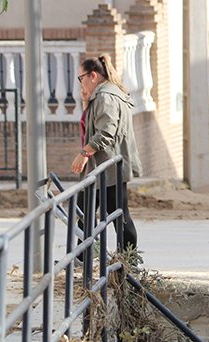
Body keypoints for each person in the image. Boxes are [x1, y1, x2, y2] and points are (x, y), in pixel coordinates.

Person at [70, 54, 142, 250]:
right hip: (107, 167)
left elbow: (106, 131)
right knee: (89, 212)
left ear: (93, 75)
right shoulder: (108, 93)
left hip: (107, 168)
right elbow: (93, 125)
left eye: (81, 78)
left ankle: (125, 260)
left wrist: (84, 154)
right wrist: (86, 102)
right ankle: (85, 257)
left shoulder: (105, 96)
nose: (80, 83)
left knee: (116, 214)